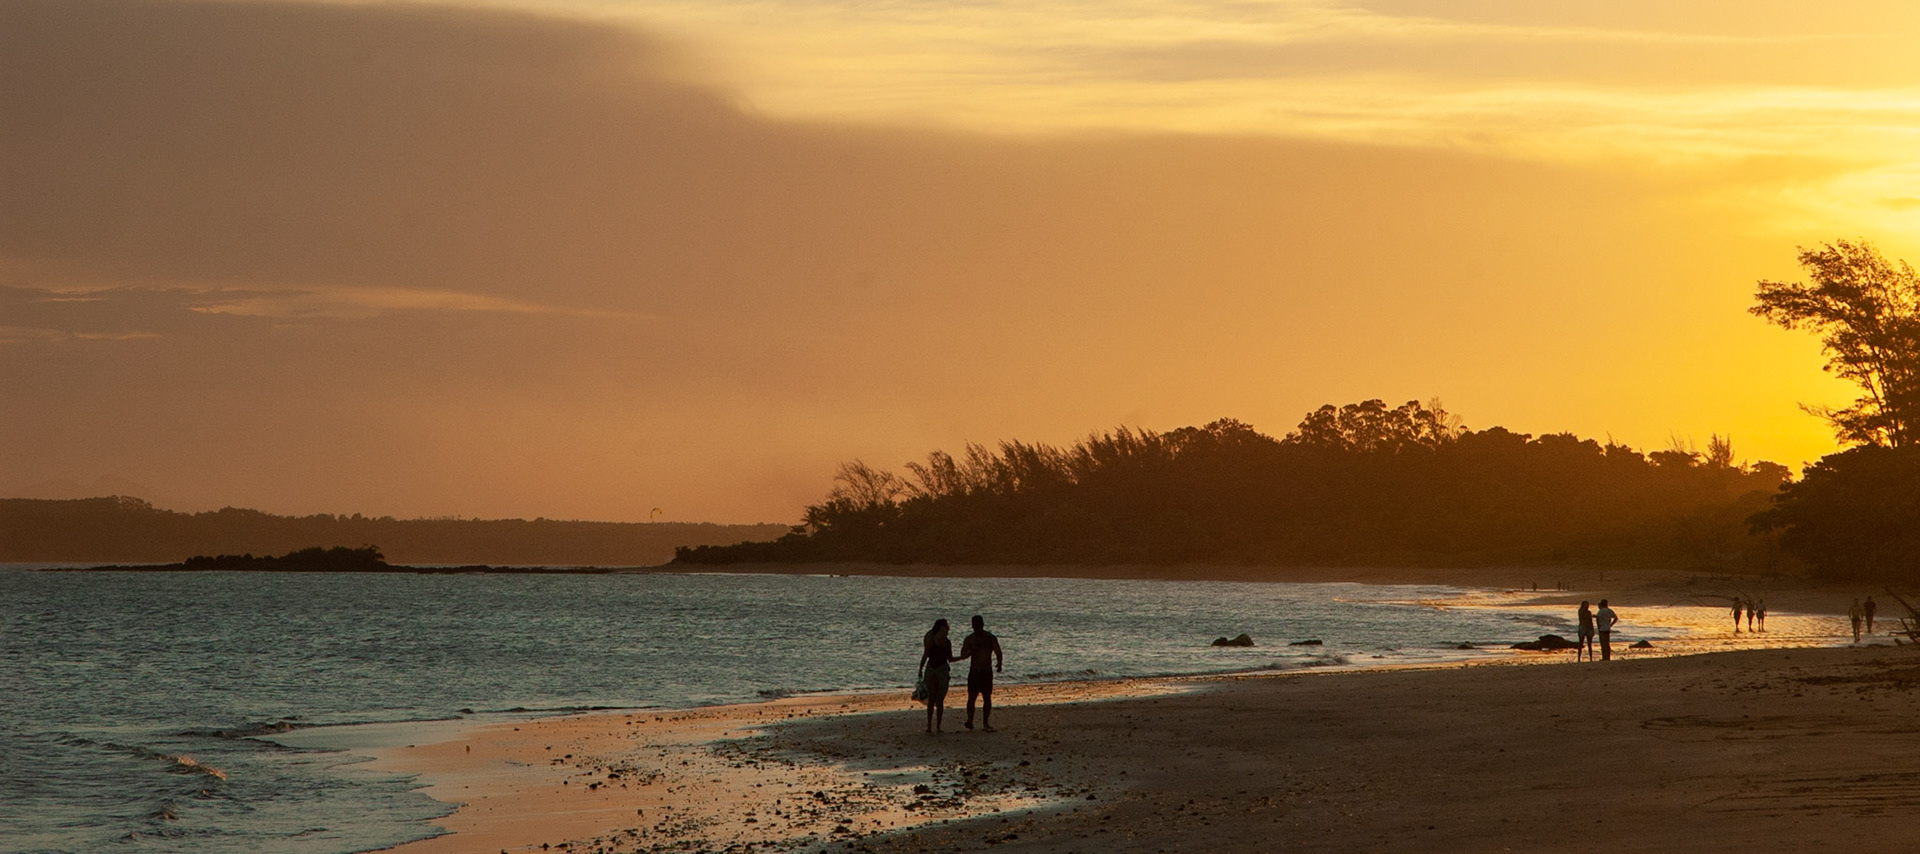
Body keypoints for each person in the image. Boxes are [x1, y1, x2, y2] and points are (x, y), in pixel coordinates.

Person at [955, 614, 1003, 732]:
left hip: (985, 671)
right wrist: (970, 652)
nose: (977, 628)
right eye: (976, 626)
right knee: (972, 697)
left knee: (985, 697)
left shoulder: (989, 637)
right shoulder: (970, 639)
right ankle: (971, 720)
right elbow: (963, 654)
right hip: (975, 671)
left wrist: (999, 663)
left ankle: (985, 722)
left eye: (978, 625)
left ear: (981, 625)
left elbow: (997, 651)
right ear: (973, 626)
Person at [918, 619, 953, 734]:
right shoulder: (931, 640)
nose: (948, 628)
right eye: (946, 626)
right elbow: (926, 655)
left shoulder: (947, 642)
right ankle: (929, 726)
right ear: (941, 628)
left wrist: (964, 657)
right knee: (932, 698)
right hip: (932, 669)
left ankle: (938, 726)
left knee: (940, 700)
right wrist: (920, 669)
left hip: (942, 670)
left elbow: (950, 659)